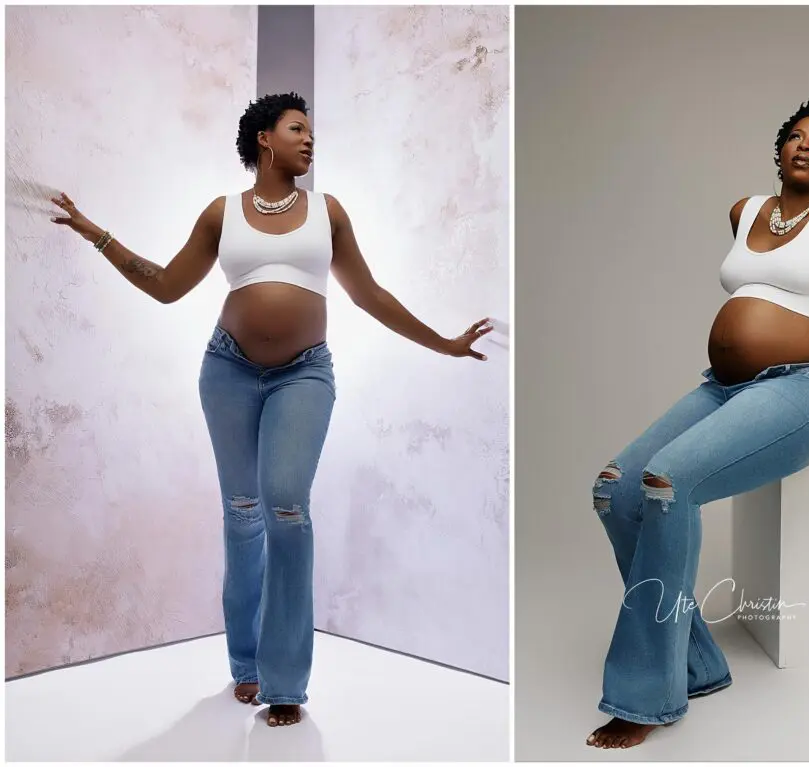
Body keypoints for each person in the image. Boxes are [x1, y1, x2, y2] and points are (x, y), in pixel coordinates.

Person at [50, 92, 493, 728]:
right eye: (296, 128)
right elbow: (165, 286)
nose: (309, 139)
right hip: (227, 370)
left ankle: (285, 683)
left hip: (303, 373)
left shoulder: (328, 212)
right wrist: (96, 233)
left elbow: (369, 295)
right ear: (264, 138)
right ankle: (247, 665)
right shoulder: (221, 213)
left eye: (311, 131)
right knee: (242, 515)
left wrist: (444, 344)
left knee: (287, 506)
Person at [585, 97, 809, 749]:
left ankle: (643, 697)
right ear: (780, 149)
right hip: (723, 388)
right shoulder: (744, 212)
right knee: (616, 489)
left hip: (806, 390)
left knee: (667, 482)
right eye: (797, 136)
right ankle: (695, 662)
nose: (806, 145)